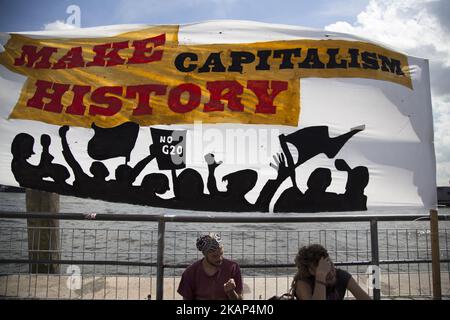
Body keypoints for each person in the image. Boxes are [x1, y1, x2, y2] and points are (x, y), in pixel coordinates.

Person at [291, 244, 371, 300]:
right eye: (323, 270)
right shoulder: (303, 282)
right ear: (311, 271)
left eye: (330, 266)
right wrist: (321, 277)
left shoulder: (342, 276)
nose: (331, 273)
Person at [177, 233, 243, 300]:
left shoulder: (233, 267)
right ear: (205, 254)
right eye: (214, 256)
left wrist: (231, 292)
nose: (219, 258)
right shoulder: (190, 272)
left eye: (221, 253)